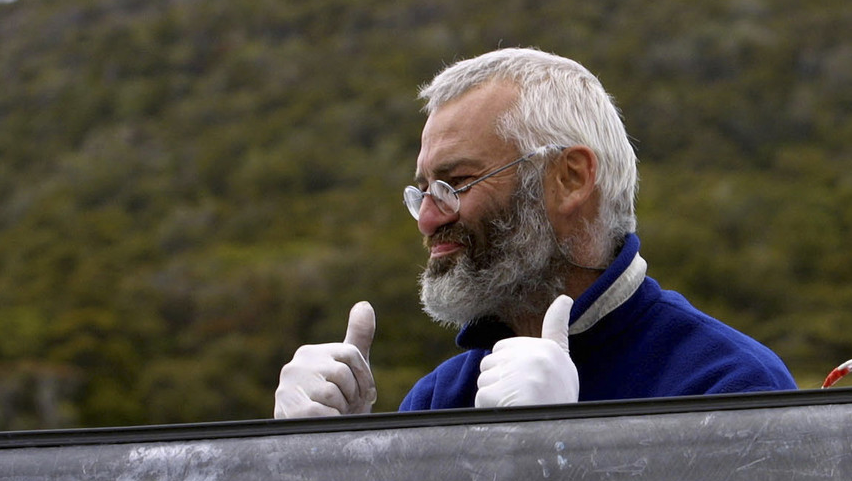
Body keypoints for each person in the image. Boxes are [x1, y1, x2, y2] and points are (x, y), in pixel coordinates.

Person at [273, 48, 796, 416]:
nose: (429, 218)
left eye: (455, 184)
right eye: (423, 192)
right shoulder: (438, 398)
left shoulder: (729, 386)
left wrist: (558, 451)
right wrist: (327, 465)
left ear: (570, 178)